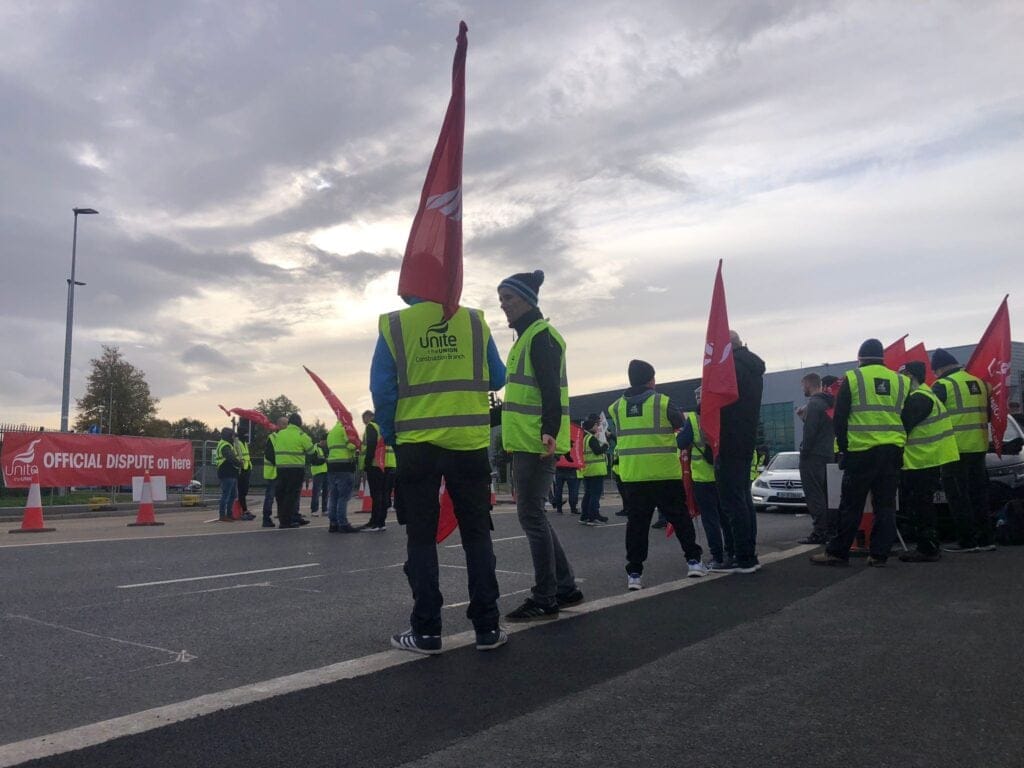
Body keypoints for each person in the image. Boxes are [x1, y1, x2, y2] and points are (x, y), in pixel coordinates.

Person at [371, 293, 507, 654]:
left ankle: (427, 631)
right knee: (477, 533)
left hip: (417, 445)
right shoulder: (475, 321)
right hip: (468, 442)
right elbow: (497, 376)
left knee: (420, 536)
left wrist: (391, 434)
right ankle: (488, 628)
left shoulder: (394, 324)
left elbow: (381, 389)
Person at [499, 270, 584, 620]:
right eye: (501, 299)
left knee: (531, 516)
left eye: (509, 299)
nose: (503, 306)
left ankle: (545, 596)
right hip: (527, 441)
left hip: (537, 442)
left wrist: (549, 430)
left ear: (528, 300)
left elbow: (550, 389)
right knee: (535, 516)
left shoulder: (540, 337)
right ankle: (564, 587)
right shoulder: (526, 338)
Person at [811, 339, 908, 566]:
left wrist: (844, 448)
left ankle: (837, 552)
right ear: (882, 357)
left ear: (860, 358)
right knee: (885, 506)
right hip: (892, 450)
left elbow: (840, 417)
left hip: (861, 452)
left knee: (851, 506)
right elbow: (904, 416)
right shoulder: (901, 381)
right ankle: (879, 555)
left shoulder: (853, 378)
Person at [609, 359, 705, 590]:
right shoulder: (663, 402)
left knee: (637, 526)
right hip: (664, 473)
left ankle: (634, 574)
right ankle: (694, 561)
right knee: (680, 518)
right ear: (651, 380)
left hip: (633, 476)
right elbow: (680, 423)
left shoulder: (616, 407)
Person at [931, 348, 995, 553]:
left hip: (955, 448)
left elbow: (930, 417)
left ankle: (967, 541)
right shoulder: (980, 383)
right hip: (979, 446)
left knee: (958, 496)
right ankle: (986, 539)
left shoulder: (942, 385)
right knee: (979, 494)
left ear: (939, 368)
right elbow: (988, 415)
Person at [898, 361, 960, 562]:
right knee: (922, 505)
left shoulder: (920, 399)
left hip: (922, 460)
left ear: (911, 376)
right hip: (926, 458)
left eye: (903, 376)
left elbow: (902, 426)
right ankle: (927, 546)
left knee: (921, 506)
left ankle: (927, 548)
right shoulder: (926, 394)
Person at [716, 331, 766, 574]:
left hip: (729, 439)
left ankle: (742, 556)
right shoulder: (752, 366)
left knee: (732, 501)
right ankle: (748, 554)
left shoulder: (732, 368)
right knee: (743, 499)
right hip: (745, 439)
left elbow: (721, 404)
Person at [677, 386, 734, 570]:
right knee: (726, 517)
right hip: (723, 476)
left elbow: (681, 442)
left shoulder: (693, 419)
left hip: (703, 478)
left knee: (710, 520)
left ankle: (716, 557)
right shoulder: (723, 416)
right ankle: (731, 553)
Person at [796, 373, 835, 544]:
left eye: (803, 385)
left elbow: (811, 433)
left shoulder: (813, 404)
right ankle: (829, 530)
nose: (802, 389)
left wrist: (804, 451)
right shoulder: (829, 403)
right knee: (826, 495)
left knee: (814, 495)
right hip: (827, 454)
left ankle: (819, 532)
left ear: (808, 384)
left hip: (813, 456)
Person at [273, 413, 319, 529]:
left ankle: (287, 519)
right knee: (291, 496)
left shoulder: (279, 434)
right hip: (295, 469)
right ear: (300, 423)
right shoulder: (301, 435)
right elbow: (311, 452)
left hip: (280, 469)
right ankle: (287, 522)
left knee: (282, 495)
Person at [325, 417, 360, 534]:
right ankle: (343, 523)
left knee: (333, 495)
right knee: (343, 496)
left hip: (331, 465)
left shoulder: (331, 432)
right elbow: (349, 445)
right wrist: (357, 445)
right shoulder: (344, 429)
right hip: (344, 465)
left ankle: (333, 523)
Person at [579, 414, 609, 525]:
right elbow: (597, 451)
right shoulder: (591, 439)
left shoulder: (585, 438)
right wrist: (605, 446)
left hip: (588, 470)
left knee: (588, 494)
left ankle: (584, 516)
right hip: (596, 470)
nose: (598, 427)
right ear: (592, 427)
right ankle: (593, 517)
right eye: (596, 425)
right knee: (595, 495)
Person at [361, 411, 389, 532]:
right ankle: (381, 522)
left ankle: (375, 522)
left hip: (375, 464)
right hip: (386, 463)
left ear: (368, 417)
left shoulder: (371, 426)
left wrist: (367, 463)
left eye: (364, 419)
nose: (364, 422)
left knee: (376, 494)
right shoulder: (383, 427)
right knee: (383, 494)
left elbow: (371, 445)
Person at [261, 417, 287, 528]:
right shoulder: (272, 437)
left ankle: (282, 518)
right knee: (270, 497)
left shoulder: (284, 437)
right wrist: (280, 463)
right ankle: (266, 519)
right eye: (286, 424)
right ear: (280, 425)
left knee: (281, 497)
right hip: (273, 472)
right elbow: (269, 455)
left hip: (281, 472)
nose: (287, 426)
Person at [550, 430, 582, 515]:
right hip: (571, 468)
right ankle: (573, 508)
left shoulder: (558, 441)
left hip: (559, 468)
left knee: (558, 490)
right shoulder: (575, 441)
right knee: (572, 490)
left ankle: (559, 509)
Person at [215, 427, 241, 522]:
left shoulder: (226, 444)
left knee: (232, 495)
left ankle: (229, 514)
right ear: (228, 436)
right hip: (226, 472)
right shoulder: (225, 445)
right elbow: (230, 457)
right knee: (226, 495)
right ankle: (223, 515)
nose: (233, 438)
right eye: (232, 436)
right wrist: (239, 463)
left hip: (230, 472)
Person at [234, 432, 255, 521]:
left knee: (244, 491)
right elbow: (237, 456)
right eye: (245, 435)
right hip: (241, 469)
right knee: (242, 492)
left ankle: (244, 510)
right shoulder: (237, 443)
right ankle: (244, 511)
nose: (247, 437)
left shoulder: (244, 443)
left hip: (247, 468)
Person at [309, 439, 329, 517]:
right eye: (326, 441)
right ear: (322, 440)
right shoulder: (314, 448)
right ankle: (314, 510)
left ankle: (324, 510)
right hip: (317, 472)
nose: (326, 443)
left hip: (325, 471)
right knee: (316, 492)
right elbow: (314, 461)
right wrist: (324, 460)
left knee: (326, 491)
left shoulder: (325, 448)